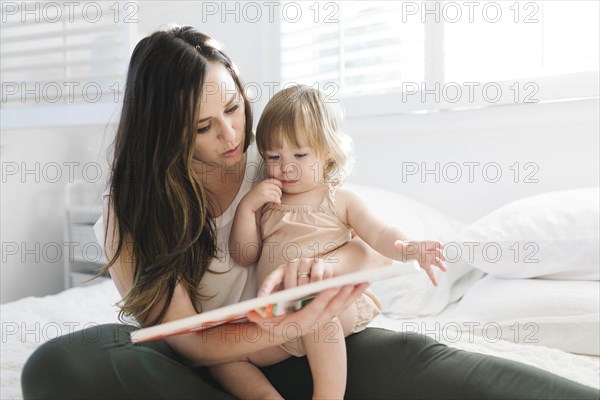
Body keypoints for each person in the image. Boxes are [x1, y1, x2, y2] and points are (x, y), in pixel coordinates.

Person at [20, 25, 600, 400]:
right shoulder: (132, 211)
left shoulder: (275, 161)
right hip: (209, 370)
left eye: (233, 107)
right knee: (60, 363)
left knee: (450, 371)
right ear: (164, 135)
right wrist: (281, 325)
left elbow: (362, 241)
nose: (231, 135)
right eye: (203, 127)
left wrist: (323, 270)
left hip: (319, 347)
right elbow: (185, 340)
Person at [210, 84, 447, 400]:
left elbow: (379, 234)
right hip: (280, 321)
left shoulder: (340, 199)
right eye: (274, 156)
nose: (287, 166)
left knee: (318, 315)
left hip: (332, 310)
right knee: (222, 356)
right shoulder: (269, 203)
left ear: (328, 151)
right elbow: (245, 255)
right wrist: (247, 208)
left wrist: (412, 248)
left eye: (300, 154)